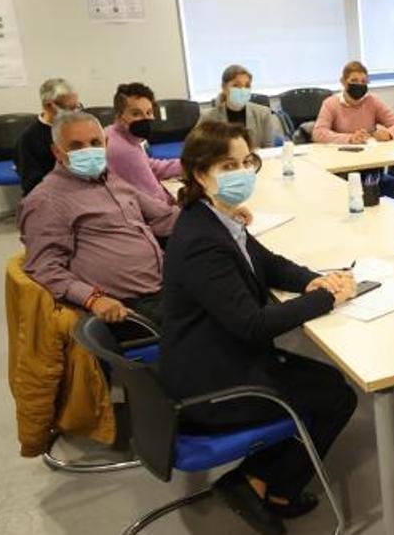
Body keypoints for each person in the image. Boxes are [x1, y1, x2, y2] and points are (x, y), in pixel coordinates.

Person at [160, 121, 359, 535]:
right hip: (212, 385)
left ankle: (261, 479)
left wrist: (313, 280)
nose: (241, 172)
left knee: (328, 381)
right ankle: (260, 483)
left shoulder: (214, 217)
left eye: (245, 162)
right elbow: (252, 325)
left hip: (217, 357)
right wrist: (327, 299)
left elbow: (267, 262)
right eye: (227, 165)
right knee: (336, 395)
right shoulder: (202, 240)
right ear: (200, 174)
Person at [19, 112, 179, 330]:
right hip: (127, 307)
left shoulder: (110, 179)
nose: (88, 151)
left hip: (162, 286)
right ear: (57, 152)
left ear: (106, 143)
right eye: (76, 146)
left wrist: (216, 214)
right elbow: (43, 267)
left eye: (95, 143)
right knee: (218, 326)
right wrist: (93, 299)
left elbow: (162, 217)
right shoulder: (45, 200)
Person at [105, 82, 182, 205]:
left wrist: (188, 164)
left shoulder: (117, 133)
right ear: (119, 117)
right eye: (136, 114)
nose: (145, 118)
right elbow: (157, 201)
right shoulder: (124, 150)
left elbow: (148, 165)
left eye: (149, 112)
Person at [312, 61, 394, 145]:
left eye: (363, 82)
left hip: (369, 156)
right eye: (354, 81)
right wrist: (350, 138)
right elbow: (318, 133)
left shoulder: (372, 101)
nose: (359, 85)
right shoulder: (330, 103)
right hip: (340, 157)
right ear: (343, 82)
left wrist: (389, 134)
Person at [16, 78, 82, 195]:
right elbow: (31, 185)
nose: (75, 113)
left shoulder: (80, 127)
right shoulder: (28, 140)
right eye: (70, 108)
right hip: (54, 195)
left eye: (77, 107)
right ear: (48, 106)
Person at [198, 64, 284, 149]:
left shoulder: (263, 114)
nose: (243, 90)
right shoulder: (208, 117)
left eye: (247, 86)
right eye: (236, 85)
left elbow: (268, 150)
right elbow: (201, 150)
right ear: (224, 88)